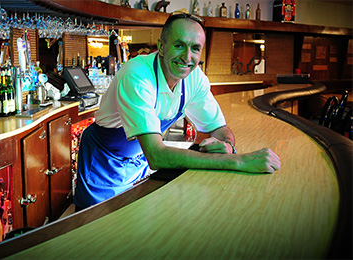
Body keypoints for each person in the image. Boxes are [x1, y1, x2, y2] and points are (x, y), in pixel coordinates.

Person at [73, 12, 281, 210]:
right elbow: (157, 155)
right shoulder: (136, 76)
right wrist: (238, 161)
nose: (187, 57)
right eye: (179, 45)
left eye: (195, 48)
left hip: (139, 163)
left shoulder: (195, 77)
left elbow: (219, 128)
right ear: (161, 47)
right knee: (93, 231)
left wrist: (226, 146)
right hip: (104, 165)